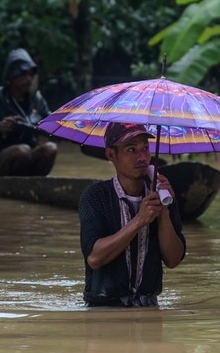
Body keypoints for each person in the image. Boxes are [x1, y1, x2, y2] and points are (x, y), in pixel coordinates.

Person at [79, 122, 186, 307]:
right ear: (111, 155)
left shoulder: (163, 195)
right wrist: (139, 220)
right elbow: (94, 258)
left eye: (145, 148)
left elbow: (173, 260)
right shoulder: (95, 196)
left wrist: (164, 213)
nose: (142, 157)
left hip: (149, 306)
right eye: (131, 150)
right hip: (103, 308)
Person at [0, 48, 58, 176]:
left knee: (51, 148)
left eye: (31, 75)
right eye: (23, 75)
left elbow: (50, 121)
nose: (29, 79)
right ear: (11, 77)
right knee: (22, 150)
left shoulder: (36, 99)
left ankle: (36, 180)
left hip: (31, 154)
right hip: (3, 159)